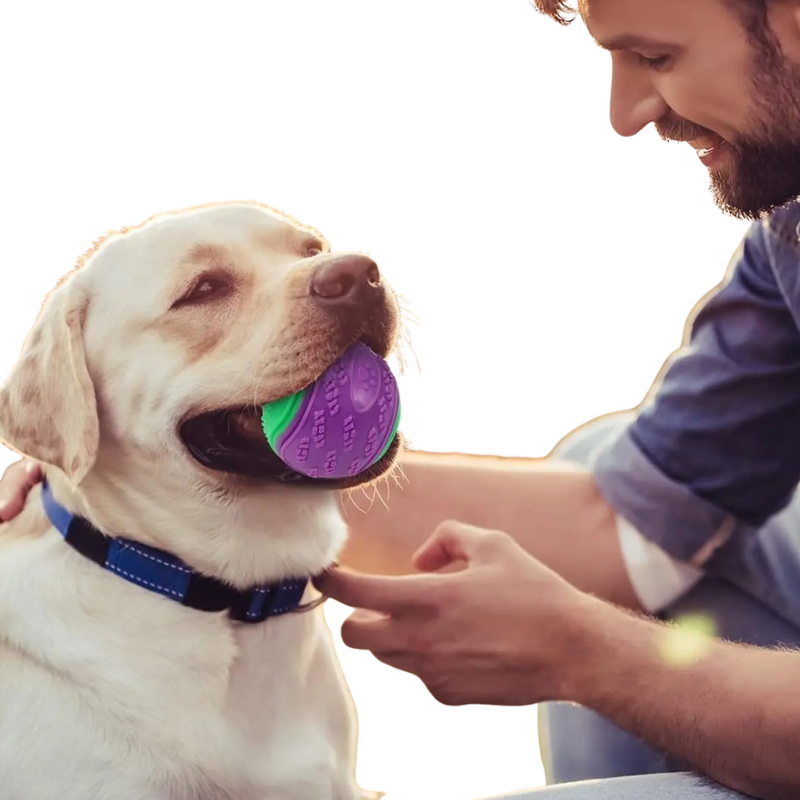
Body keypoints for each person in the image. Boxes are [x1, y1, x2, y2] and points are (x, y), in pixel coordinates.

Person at [5, 0, 800, 798]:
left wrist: (581, 650)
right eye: (207, 290)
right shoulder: (786, 235)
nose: (625, 113)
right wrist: (131, 475)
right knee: (601, 467)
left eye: (655, 57)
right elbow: (637, 517)